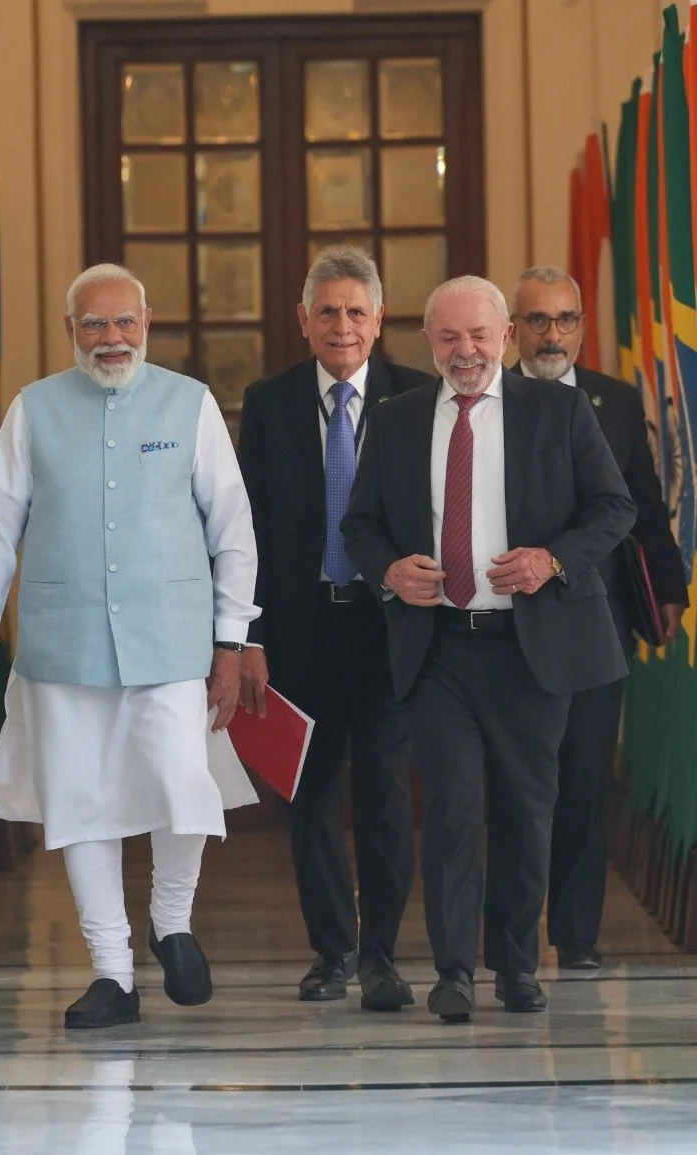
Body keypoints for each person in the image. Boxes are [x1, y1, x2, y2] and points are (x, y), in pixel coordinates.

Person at [0, 263, 260, 1030]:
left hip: (172, 639)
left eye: (125, 321)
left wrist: (231, 639)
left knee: (182, 783)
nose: (112, 337)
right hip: (64, 642)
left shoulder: (190, 404)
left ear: (147, 323)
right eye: (95, 323)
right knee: (80, 804)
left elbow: (233, 531)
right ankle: (112, 972)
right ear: (72, 330)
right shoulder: (34, 409)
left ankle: (172, 921)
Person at [341, 275, 635, 1022]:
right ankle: (453, 971)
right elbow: (360, 523)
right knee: (451, 811)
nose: (464, 350)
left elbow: (614, 506)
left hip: (530, 649)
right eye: (448, 337)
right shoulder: (398, 418)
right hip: (438, 648)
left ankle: (515, 965)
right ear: (427, 341)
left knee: (526, 812)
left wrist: (553, 560)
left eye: (478, 335)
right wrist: (388, 570)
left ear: (505, 337)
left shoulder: (559, 410)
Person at [237, 247, 427, 1009]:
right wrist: (248, 635)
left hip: (390, 630)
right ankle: (332, 952)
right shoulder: (269, 402)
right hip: (300, 629)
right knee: (310, 798)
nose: (341, 325)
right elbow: (247, 526)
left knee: (384, 796)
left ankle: (381, 954)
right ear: (303, 320)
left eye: (355, 311)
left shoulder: (417, 397)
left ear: (378, 320)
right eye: (327, 311)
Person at [509, 266, 688, 970]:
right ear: (514, 330)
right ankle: (508, 932)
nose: (552, 333)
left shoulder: (615, 401)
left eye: (565, 319)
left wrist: (668, 588)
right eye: (538, 320)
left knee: (585, 776)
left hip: (596, 620)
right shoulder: (487, 400)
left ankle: (576, 934)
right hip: (510, 620)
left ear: (582, 327)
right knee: (517, 783)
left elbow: (642, 503)